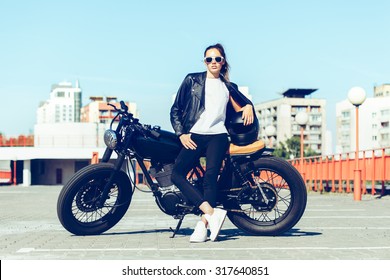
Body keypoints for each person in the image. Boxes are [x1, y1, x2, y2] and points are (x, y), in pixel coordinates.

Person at [170, 43, 255, 242]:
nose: (213, 62)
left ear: (223, 61)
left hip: (218, 136)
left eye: (217, 59)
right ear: (204, 61)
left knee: (210, 178)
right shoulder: (192, 80)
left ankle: (202, 226)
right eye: (209, 59)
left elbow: (244, 103)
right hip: (195, 134)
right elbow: (175, 109)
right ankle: (211, 212)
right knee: (177, 174)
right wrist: (181, 133)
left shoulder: (228, 86)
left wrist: (249, 106)